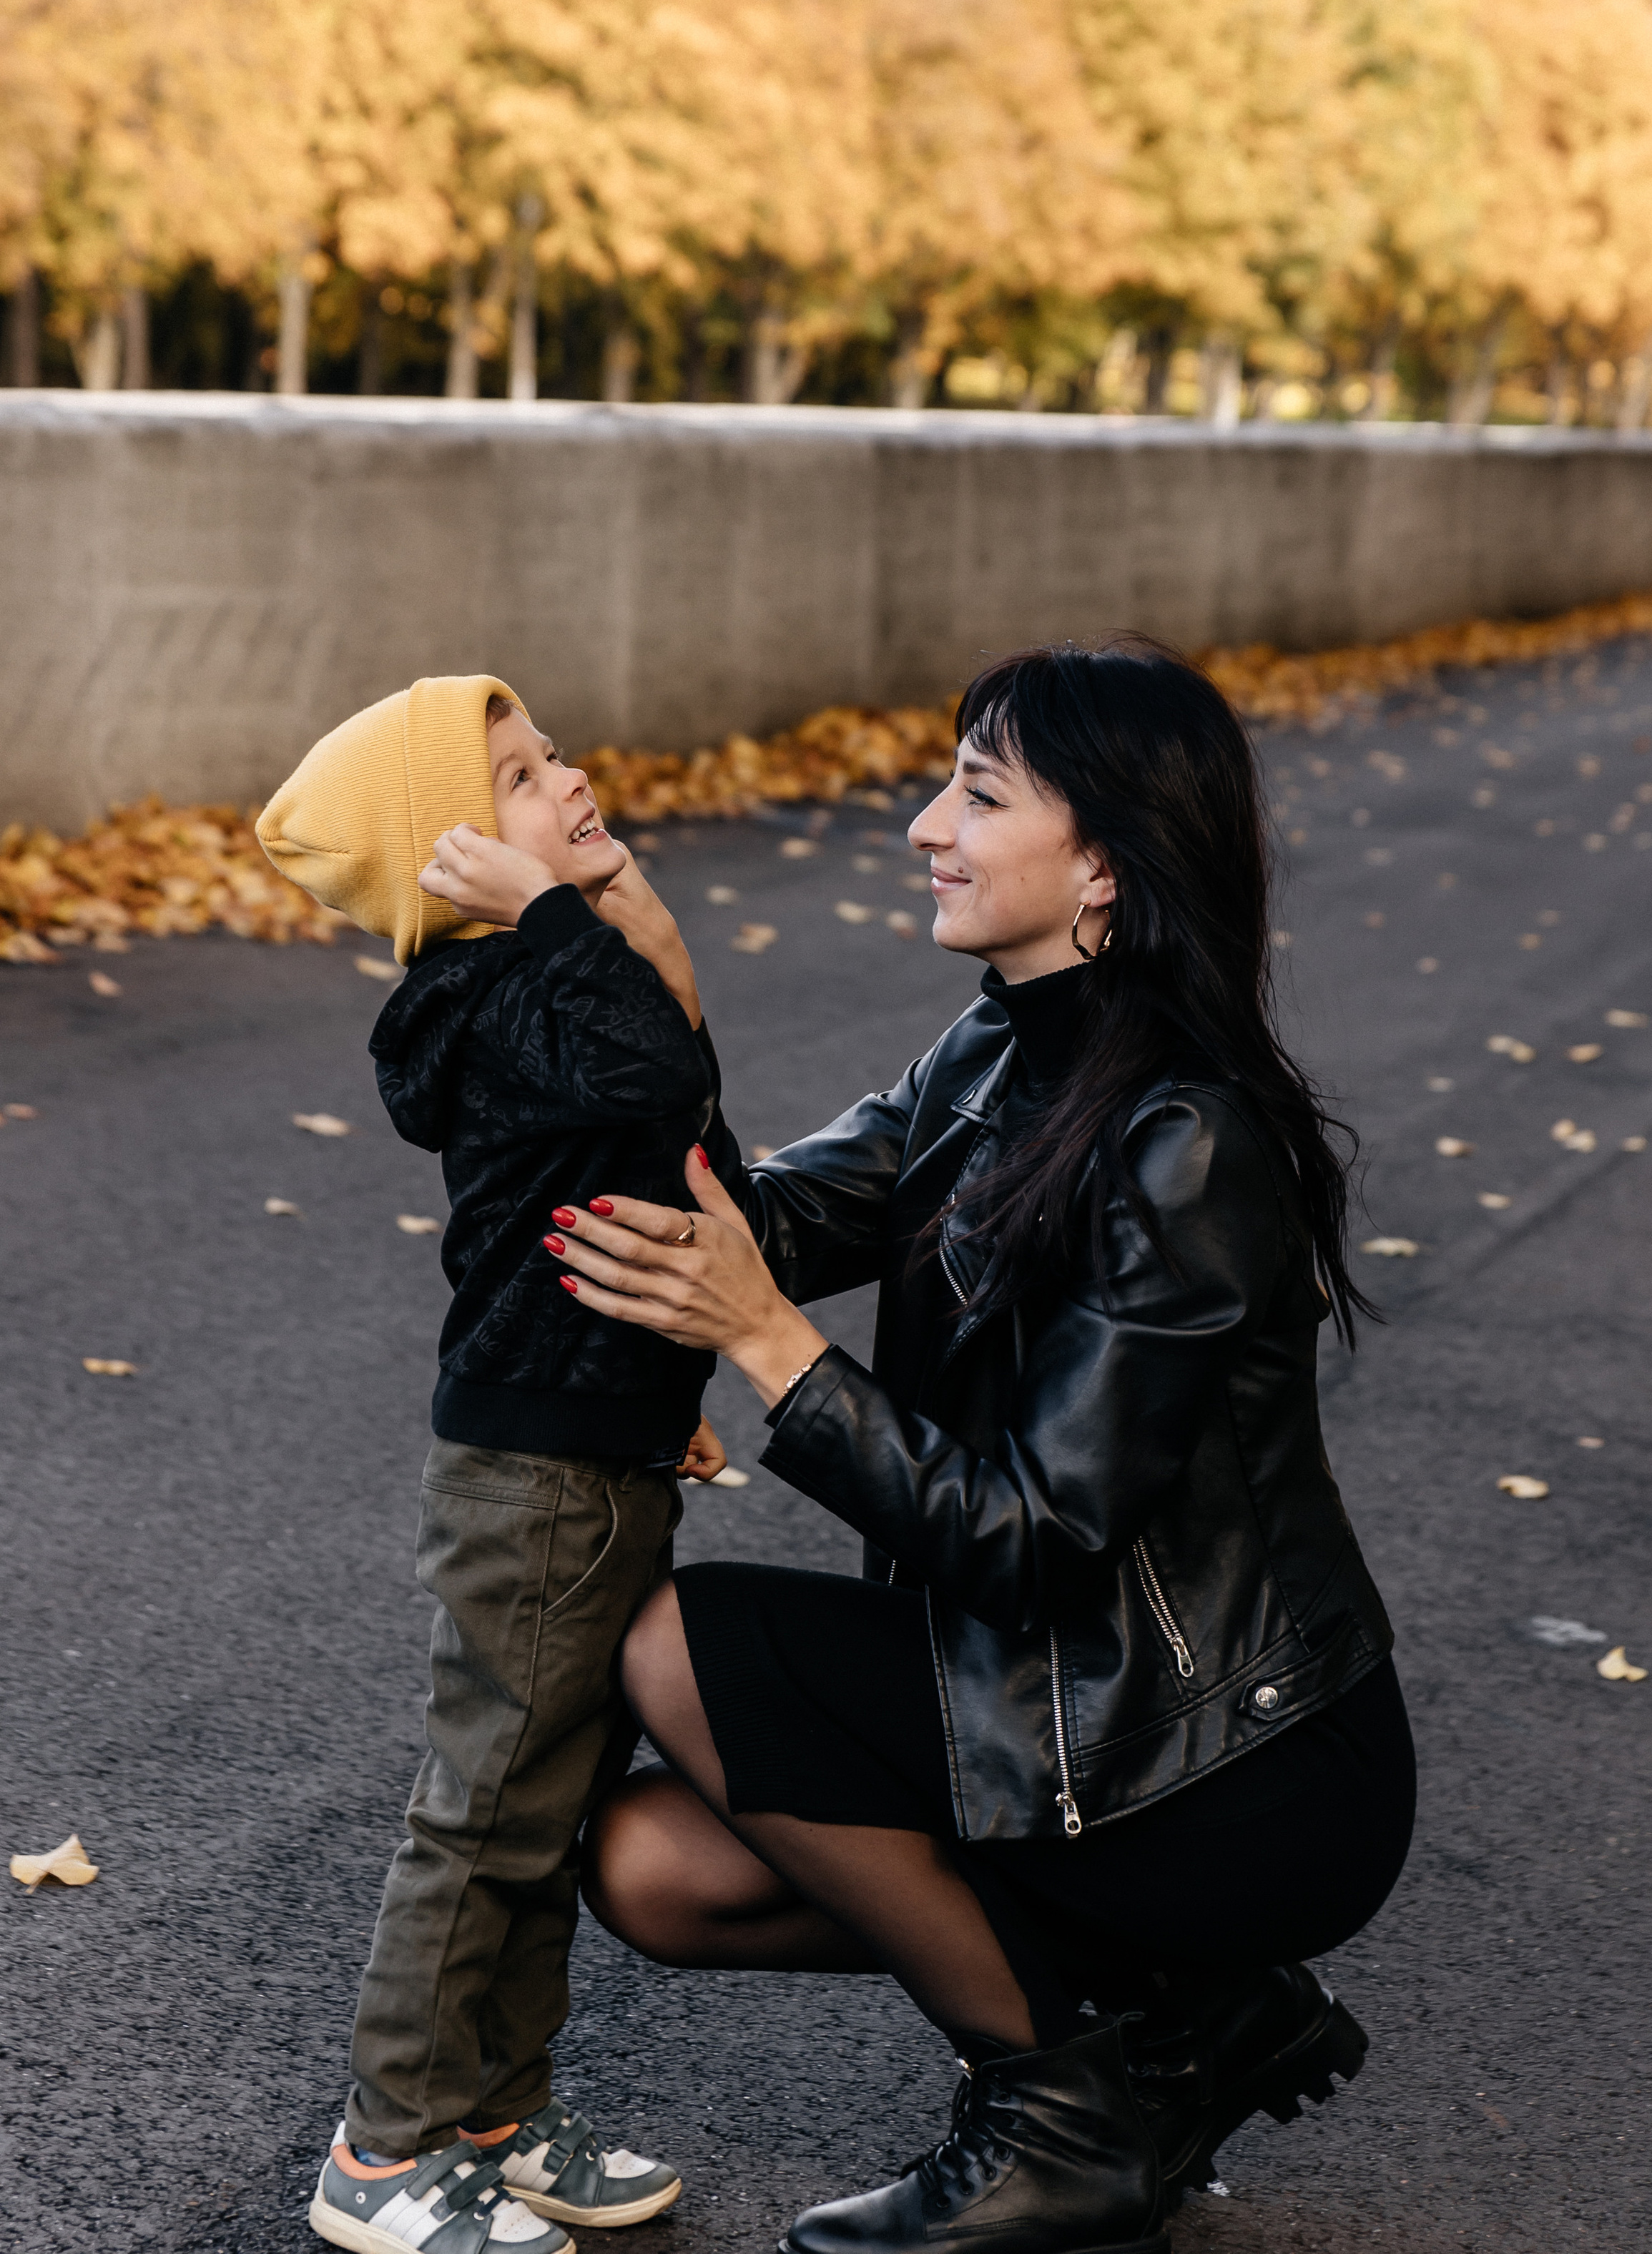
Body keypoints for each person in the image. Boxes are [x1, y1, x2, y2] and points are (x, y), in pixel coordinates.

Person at [543, 637, 1415, 2254]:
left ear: (1102, 862)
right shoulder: (997, 1047)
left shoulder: (1185, 1136)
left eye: (977, 792)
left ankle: (1055, 2109)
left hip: (1226, 1763)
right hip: (1064, 1707)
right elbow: (762, 1218)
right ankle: (1182, 2022)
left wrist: (761, 1344)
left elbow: (1029, 1538)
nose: (922, 826)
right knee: (654, 1870)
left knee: (681, 1648)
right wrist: (648, 962)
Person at [257, 674, 737, 2254]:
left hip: (597, 1455)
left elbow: (679, 1161)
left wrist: (661, 1380)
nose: (572, 779)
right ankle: (380, 2155)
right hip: (533, 1481)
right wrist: (562, 918)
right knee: (481, 1818)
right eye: (521, 777)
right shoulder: (477, 1001)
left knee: (549, 1807)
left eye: (550, 755)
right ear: (449, 856)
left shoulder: (555, 976)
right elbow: (646, 1073)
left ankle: (499, 2113)